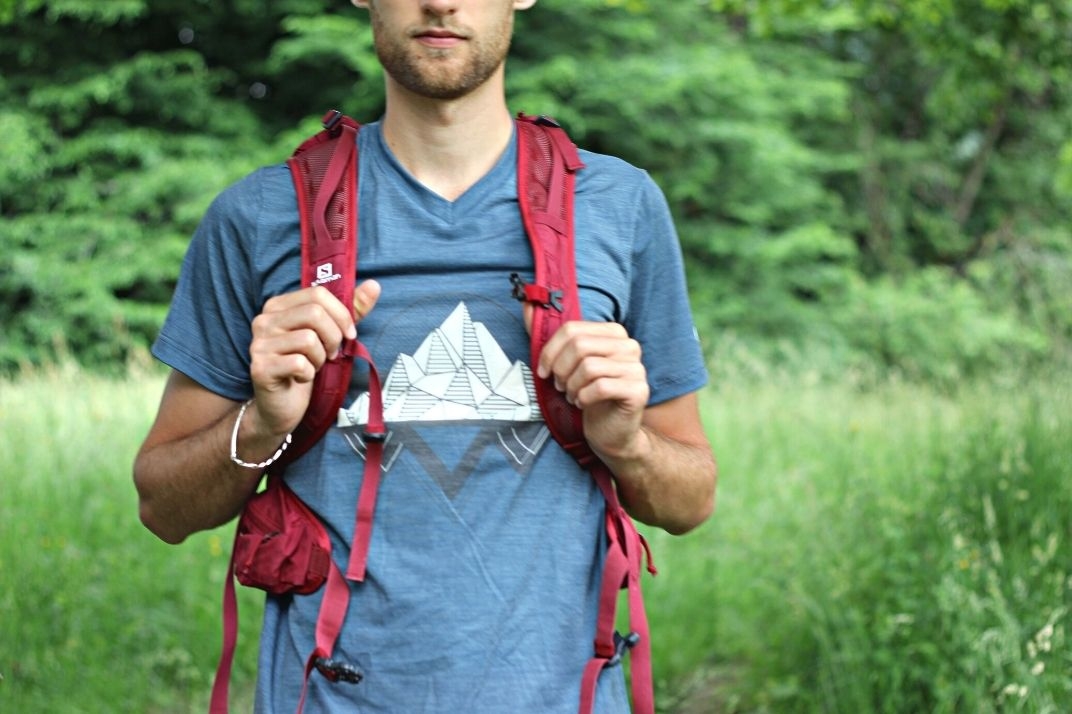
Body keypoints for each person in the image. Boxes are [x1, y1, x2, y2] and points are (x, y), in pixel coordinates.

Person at [133, 0, 717, 711]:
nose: (441, 2)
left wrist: (628, 444)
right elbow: (163, 507)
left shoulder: (619, 205)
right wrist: (260, 425)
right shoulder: (260, 215)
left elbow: (690, 500)